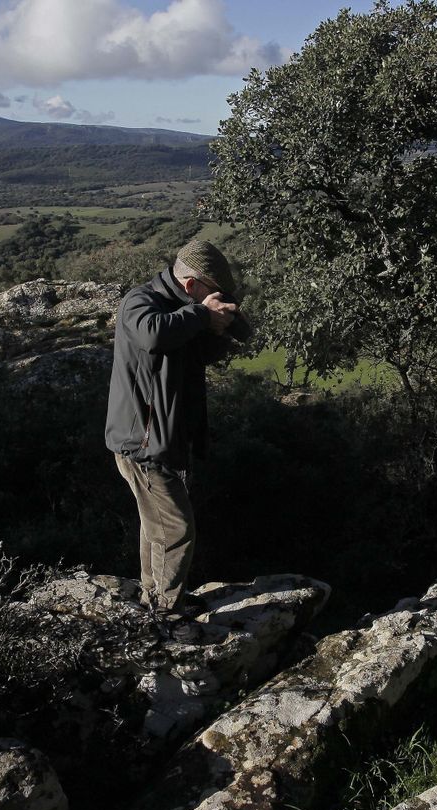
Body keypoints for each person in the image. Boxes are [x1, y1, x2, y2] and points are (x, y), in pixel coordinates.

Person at [104, 239, 252, 641]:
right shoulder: (141, 302)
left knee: (155, 526)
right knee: (177, 529)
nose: (216, 300)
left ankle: (154, 599)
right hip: (142, 443)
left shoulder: (188, 312)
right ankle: (166, 616)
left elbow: (213, 344)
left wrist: (220, 324)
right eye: (212, 292)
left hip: (164, 439)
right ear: (190, 286)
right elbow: (154, 336)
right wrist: (203, 316)